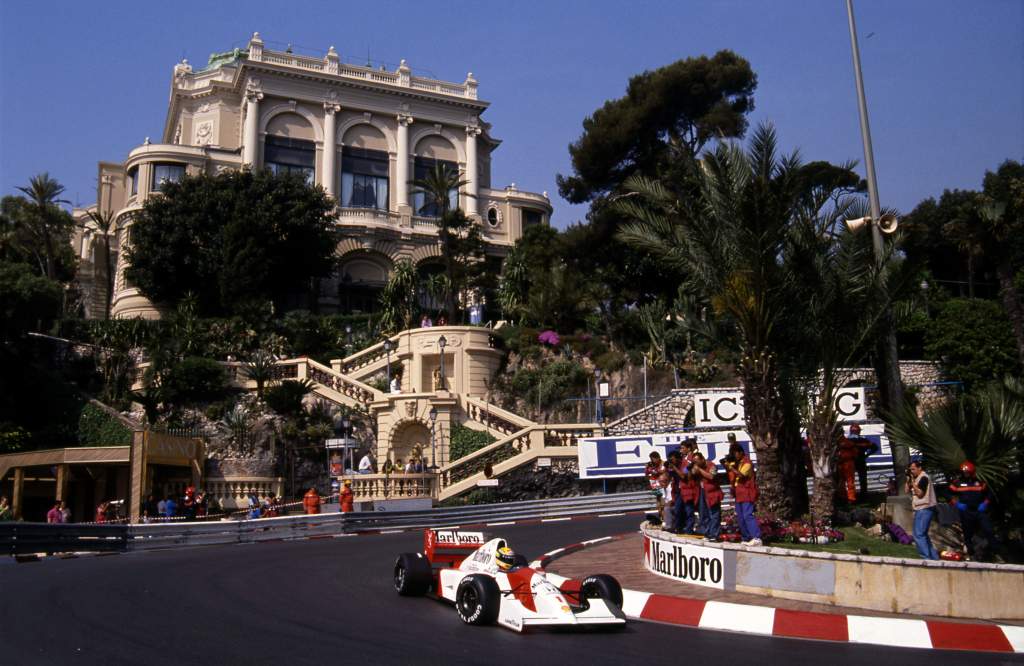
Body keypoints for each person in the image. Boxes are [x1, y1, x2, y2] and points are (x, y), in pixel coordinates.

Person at [949, 460, 997, 560]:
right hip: (966, 511)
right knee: (967, 534)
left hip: (979, 510)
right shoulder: (958, 482)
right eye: (963, 472)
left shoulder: (979, 482)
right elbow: (947, 493)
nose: (965, 474)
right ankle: (971, 553)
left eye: (967, 472)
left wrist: (985, 503)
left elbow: (989, 493)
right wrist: (956, 503)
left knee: (988, 529)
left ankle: (995, 550)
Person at [724, 442, 762, 546]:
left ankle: (756, 537)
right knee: (740, 517)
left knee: (747, 515)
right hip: (738, 493)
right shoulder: (737, 463)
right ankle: (746, 537)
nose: (734, 455)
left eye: (735, 453)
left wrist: (731, 468)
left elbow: (741, 475)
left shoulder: (747, 463)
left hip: (747, 492)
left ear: (741, 452)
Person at [906, 459, 940, 560]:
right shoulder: (915, 478)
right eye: (910, 469)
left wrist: (913, 482)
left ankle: (925, 557)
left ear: (919, 468)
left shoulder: (924, 478)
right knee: (923, 534)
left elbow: (920, 494)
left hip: (925, 508)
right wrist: (908, 479)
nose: (912, 471)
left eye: (913, 469)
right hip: (920, 508)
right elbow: (906, 490)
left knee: (918, 534)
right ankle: (934, 558)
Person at [691, 452, 723, 542]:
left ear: (702, 459)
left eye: (697, 461)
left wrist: (700, 470)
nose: (696, 463)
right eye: (694, 462)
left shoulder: (712, 465)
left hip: (712, 493)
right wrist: (694, 469)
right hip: (702, 492)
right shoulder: (697, 467)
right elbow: (692, 474)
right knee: (703, 514)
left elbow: (711, 476)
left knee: (714, 514)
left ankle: (714, 534)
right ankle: (707, 532)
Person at [846, 424, 878, 499]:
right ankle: (863, 496)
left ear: (851, 431)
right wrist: (867, 455)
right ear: (859, 431)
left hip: (850, 462)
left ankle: (851, 497)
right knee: (863, 480)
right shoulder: (864, 440)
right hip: (861, 461)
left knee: (850, 480)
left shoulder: (847, 440)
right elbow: (875, 447)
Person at [836, 429, 859, 503]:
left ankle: (851, 498)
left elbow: (855, 453)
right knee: (841, 481)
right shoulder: (835, 443)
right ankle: (844, 497)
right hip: (840, 464)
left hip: (848, 463)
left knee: (849, 481)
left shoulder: (848, 442)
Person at [644, 452, 665, 523]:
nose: (652, 461)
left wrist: (653, 470)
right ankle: (661, 517)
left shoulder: (663, 463)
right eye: (651, 459)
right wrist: (647, 468)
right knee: (658, 501)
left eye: (653, 459)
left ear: (657, 458)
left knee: (663, 502)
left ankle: (665, 519)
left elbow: (661, 472)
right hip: (655, 485)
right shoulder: (651, 465)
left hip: (663, 485)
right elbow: (646, 475)